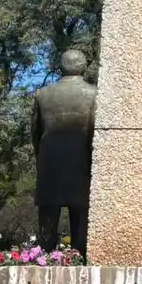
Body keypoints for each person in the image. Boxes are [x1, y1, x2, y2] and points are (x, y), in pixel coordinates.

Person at [31, 49, 96, 261]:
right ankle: (80, 260)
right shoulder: (94, 95)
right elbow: (96, 133)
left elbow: (35, 133)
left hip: (50, 163)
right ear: (84, 67)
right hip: (82, 165)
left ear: (61, 66)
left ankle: (42, 260)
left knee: (47, 223)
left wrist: (42, 156)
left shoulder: (43, 94)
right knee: (81, 222)